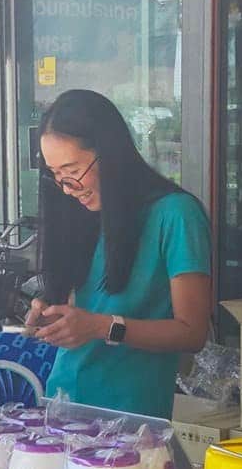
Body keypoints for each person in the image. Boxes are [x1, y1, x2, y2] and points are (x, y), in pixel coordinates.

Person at [24, 89, 211, 419]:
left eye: (73, 170)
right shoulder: (81, 213)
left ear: (110, 154)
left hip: (131, 419)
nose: (67, 188)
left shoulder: (176, 214)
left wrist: (102, 327)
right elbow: (88, 308)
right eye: (56, 174)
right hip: (63, 402)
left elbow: (192, 332)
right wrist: (55, 318)